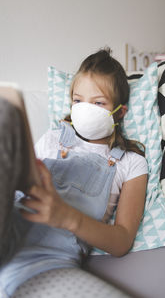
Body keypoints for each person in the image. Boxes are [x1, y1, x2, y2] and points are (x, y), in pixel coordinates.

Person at [0, 48, 148, 297]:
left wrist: (67, 217)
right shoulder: (53, 139)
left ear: (119, 112)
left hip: (44, 265)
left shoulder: (131, 163)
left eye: (98, 102)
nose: (84, 109)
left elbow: (122, 241)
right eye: (78, 101)